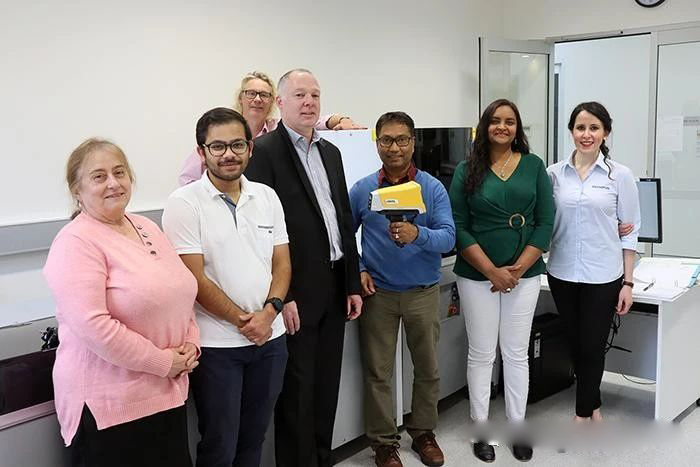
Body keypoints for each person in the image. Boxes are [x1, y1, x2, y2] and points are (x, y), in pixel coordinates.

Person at [43, 139, 200, 467]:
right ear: (77, 190)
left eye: (119, 172)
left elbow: (181, 293)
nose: (113, 183)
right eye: (99, 177)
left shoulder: (147, 226)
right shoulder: (75, 242)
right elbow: (94, 326)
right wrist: (162, 362)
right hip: (110, 408)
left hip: (166, 393)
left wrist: (191, 344)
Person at [245, 68, 363, 467]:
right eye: (299, 95)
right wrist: (283, 296)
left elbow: (343, 220)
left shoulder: (331, 153)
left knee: (327, 385)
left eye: (314, 95)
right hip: (295, 293)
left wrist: (351, 283)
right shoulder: (263, 153)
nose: (309, 102)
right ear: (281, 103)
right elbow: (261, 234)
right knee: (296, 392)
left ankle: (322, 459)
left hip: (334, 284)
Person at [162, 107, 291, 466]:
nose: (228, 154)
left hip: (271, 340)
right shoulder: (183, 203)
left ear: (250, 147)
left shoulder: (266, 196)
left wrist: (270, 313)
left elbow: (282, 263)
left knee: (254, 438)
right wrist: (244, 321)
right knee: (220, 443)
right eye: (217, 147)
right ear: (201, 152)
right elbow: (194, 279)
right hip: (217, 346)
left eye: (236, 145)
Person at [448, 99, 554, 463]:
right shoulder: (467, 169)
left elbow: (545, 222)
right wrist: (492, 271)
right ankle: (481, 429)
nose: (502, 127)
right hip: (477, 275)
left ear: (517, 128)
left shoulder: (534, 166)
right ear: (485, 126)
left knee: (516, 353)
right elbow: (458, 225)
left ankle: (517, 426)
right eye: (495, 121)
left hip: (524, 276)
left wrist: (517, 270)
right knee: (481, 353)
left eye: (510, 121)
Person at [349, 111, 455, 467]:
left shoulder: (432, 188)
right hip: (378, 294)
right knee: (378, 373)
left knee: (427, 368)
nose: (394, 148)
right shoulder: (363, 189)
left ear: (413, 142)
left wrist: (417, 234)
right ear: (377, 143)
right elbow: (343, 237)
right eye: (386, 140)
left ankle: (423, 432)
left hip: (422, 292)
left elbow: (448, 237)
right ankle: (383, 443)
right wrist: (359, 269)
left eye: (402, 140)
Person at [546, 101, 640, 423]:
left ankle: (583, 412)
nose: (586, 134)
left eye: (594, 128)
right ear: (571, 132)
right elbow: (545, 222)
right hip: (562, 272)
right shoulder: (554, 174)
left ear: (605, 133)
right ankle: (594, 402)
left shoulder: (620, 176)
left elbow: (630, 231)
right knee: (575, 343)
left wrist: (628, 282)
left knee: (592, 345)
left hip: (603, 275)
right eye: (580, 128)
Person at [178, 70, 365, 185]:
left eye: (264, 95)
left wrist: (341, 120)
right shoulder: (222, 132)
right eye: (251, 93)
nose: (258, 99)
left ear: (275, 101)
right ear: (241, 98)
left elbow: (313, 120)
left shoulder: (278, 128)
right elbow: (188, 180)